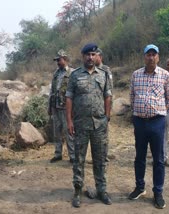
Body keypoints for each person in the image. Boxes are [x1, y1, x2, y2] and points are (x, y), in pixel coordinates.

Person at [65, 43, 112, 207]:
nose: (90, 57)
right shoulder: (75, 75)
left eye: (93, 54)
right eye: (87, 55)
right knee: (79, 160)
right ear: (82, 56)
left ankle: (102, 190)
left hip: (99, 124)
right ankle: (77, 191)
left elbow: (108, 96)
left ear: (96, 55)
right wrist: (69, 121)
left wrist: (107, 117)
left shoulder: (103, 74)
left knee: (100, 159)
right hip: (80, 124)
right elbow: (69, 98)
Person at [129, 44, 169, 209]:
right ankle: (140, 187)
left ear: (158, 57)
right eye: (148, 54)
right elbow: (132, 96)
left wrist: (159, 112)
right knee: (139, 157)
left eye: (154, 54)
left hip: (157, 122)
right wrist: (137, 113)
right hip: (140, 122)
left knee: (159, 159)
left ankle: (158, 192)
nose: (151, 57)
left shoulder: (165, 76)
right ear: (144, 57)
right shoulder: (136, 75)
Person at [48, 49, 75, 163]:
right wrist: (49, 106)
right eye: (56, 60)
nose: (57, 62)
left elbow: (75, 92)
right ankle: (58, 154)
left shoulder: (72, 73)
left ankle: (73, 156)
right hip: (55, 106)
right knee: (57, 132)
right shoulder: (56, 73)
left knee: (69, 132)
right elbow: (52, 90)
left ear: (65, 59)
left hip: (66, 108)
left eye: (59, 60)